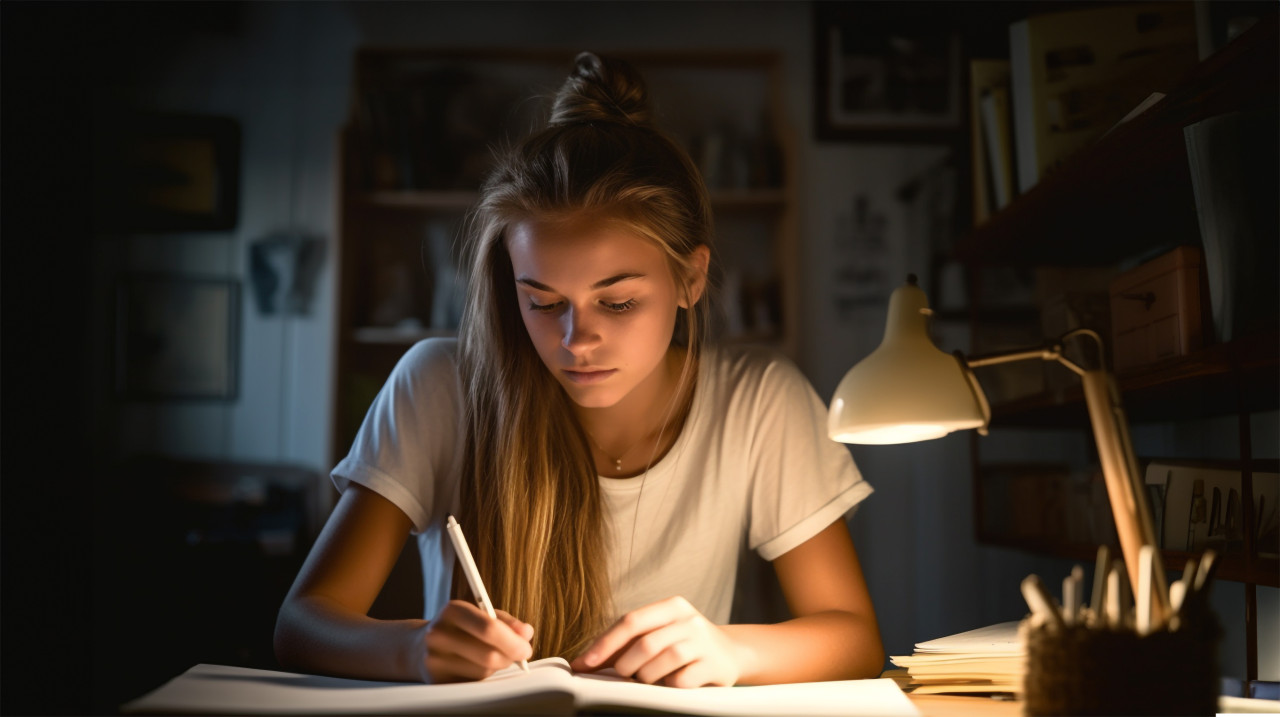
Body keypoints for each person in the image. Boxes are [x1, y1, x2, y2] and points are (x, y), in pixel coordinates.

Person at [274, 51, 884, 688]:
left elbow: (854, 636)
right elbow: (303, 622)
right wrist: (413, 649)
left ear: (691, 278)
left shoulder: (759, 400)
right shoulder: (437, 385)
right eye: (542, 302)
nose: (576, 340)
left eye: (617, 302)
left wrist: (732, 651)